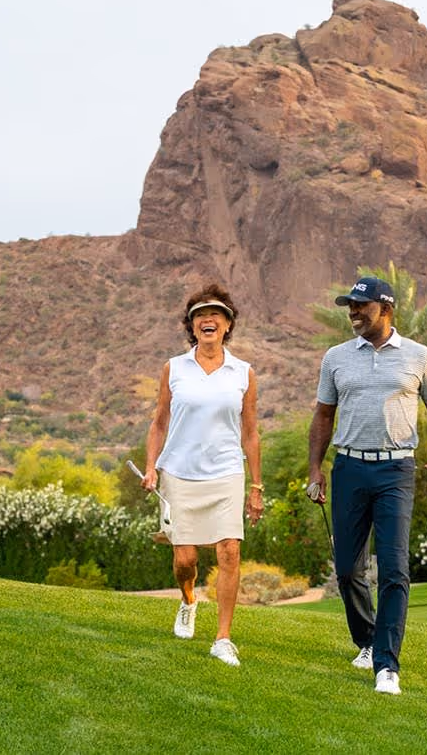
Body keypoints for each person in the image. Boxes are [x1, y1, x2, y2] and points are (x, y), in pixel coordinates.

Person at [307, 273, 427, 696]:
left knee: (393, 567)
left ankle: (387, 665)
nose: (353, 312)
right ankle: (367, 641)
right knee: (348, 568)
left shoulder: (419, 356)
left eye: (361, 306)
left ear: (385, 310)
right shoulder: (335, 357)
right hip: (349, 468)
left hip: (396, 471)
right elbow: (322, 417)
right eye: (350, 306)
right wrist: (315, 469)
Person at [141, 284, 265, 667]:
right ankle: (188, 600)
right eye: (199, 315)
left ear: (228, 324)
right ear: (191, 326)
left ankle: (223, 638)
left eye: (215, 314)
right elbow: (159, 422)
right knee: (185, 560)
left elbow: (250, 432)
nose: (207, 319)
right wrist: (151, 467)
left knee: (230, 550)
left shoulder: (243, 372)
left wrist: (256, 485)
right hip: (179, 473)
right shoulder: (174, 368)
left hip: (227, 472)